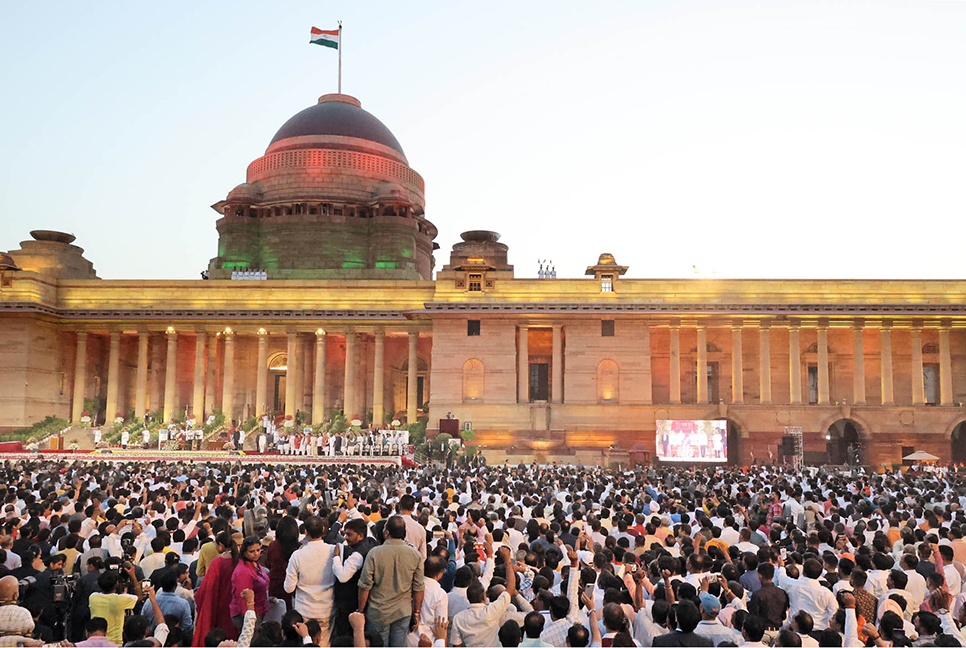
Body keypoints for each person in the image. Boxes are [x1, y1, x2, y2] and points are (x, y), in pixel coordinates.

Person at [359, 515, 426, 647]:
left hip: (378, 612)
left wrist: (360, 610)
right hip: (403, 611)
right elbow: (418, 587)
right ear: (404, 533)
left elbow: (365, 586)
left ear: (386, 532)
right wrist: (417, 613)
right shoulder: (415, 555)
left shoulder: (374, 553)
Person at [284, 515, 336, 646]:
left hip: (304, 611)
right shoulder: (333, 550)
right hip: (327, 609)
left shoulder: (297, 555)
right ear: (324, 529)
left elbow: (288, 588)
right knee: (324, 643)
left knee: (304, 643)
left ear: (305, 532)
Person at [194, 532, 239, 642]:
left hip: (220, 605)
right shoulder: (239, 561)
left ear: (221, 545)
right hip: (237, 605)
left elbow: (206, 588)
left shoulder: (217, 563)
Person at [87, 564, 143, 646]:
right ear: (117, 584)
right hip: (114, 643)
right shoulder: (121, 600)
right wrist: (133, 576)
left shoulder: (93, 597)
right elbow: (140, 597)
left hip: (95, 642)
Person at [231, 536, 269, 629]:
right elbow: (243, 599)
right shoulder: (243, 571)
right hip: (248, 614)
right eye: (252, 551)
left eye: (258, 550)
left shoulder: (255, 564)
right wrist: (249, 620)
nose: (256, 554)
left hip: (258, 610)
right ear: (244, 553)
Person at [266, 514, 299, 611]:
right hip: (293, 585)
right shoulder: (297, 548)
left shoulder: (273, 546)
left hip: (275, 584)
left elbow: (268, 563)